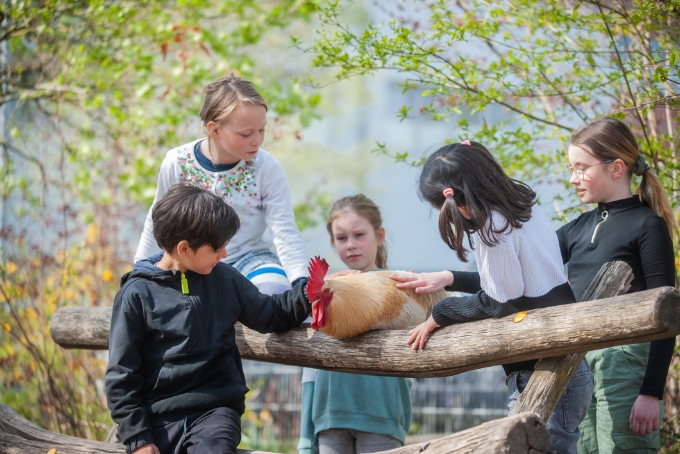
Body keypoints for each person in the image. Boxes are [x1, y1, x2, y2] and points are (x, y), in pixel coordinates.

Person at [390, 141, 593, 454]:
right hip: (566, 364)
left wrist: (440, 314)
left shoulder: (492, 228)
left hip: (542, 370)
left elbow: (498, 303)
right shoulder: (519, 206)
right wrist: (451, 277)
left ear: (454, 201)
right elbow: (512, 287)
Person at [106, 184, 313, 454]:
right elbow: (122, 374)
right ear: (184, 248)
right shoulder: (135, 295)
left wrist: (313, 291)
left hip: (214, 412)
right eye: (217, 248)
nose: (224, 254)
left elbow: (272, 314)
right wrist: (138, 438)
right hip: (157, 417)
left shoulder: (226, 280)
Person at [557, 117, 676, 453]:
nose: (572, 178)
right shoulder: (578, 227)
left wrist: (651, 392)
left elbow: (668, 315)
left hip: (625, 363)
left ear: (616, 167)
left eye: (581, 168)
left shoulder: (646, 225)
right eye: (571, 167)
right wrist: (450, 278)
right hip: (578, 364)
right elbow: (525, 269)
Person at [134, 75, 308, 295]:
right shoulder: (177, 162)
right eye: (246, 134)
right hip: (192, 262)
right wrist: (140, 269)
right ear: (214, 130)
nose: (257, 140)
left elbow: (284, 229)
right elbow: (157, 219)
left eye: (262, 130)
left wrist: (301, 279)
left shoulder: (266, 168)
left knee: (274, 292)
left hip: (251, 259)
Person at [297, 194, 412, 454]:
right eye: (341, 238)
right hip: (329, 416)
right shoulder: (327, 293)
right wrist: (306, 436)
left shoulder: (399, 288)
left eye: (359, 235)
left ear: (379, 235)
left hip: (381, 417)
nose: (351, 245)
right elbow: (311, 366)